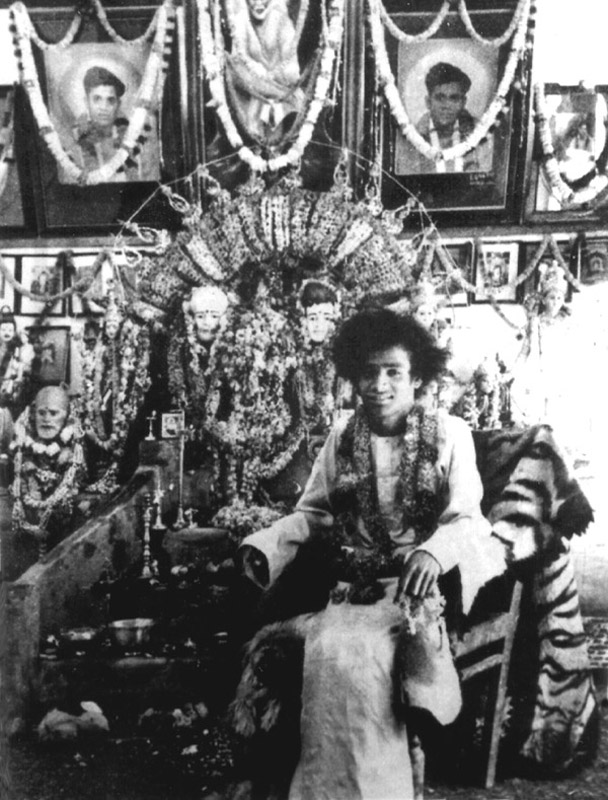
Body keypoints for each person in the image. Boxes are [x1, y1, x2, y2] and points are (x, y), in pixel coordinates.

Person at [237, 308, 508, 800]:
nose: (379, 385)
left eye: (393, 372)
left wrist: (433, 553)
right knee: (331, 647)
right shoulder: (341, 439)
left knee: (367, 655)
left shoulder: (450, 434)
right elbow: (313, 514)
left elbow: (468, 519)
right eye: (368, 372)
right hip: (353, 590)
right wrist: (266, 546)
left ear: (417, 377)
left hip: (419, 596)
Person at [224, 0, 307, 141]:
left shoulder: (282, 19)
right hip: (249, 90)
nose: (258, 3)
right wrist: (256, 70)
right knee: (236, 70)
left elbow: (291, 67)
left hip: (281, 86)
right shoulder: (241, 20)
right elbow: (239, 62)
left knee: (280, 109)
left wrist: (274, 75)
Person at [397, 62, 493, 175]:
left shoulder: (480, 135)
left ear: (463, 103)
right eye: (440, 98)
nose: (446, 106)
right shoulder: (412, 139)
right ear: (428, 102)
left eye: (454, 98)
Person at [67, 66, 159, 183]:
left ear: (118, 104)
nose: (104, 107)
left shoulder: (132, 139)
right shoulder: (73, 141)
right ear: (86, 102)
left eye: (110, 100)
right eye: (97, 99)